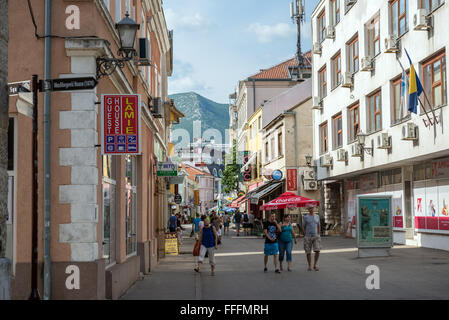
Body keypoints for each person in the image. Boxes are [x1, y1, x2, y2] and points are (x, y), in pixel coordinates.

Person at [300, 207, 321, 271]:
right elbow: (303, 226)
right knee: (308, 251)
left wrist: (319, 234)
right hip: (308, 236)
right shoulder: (306, 217)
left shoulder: (317, 216)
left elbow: (318, 225)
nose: (311, 209)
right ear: (308, 209)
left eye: (312, 208)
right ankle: (309, 265)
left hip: (316, 236)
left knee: (317, 250)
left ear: (314, 208)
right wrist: (305, 234)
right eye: (309, 208)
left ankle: (315, 264)